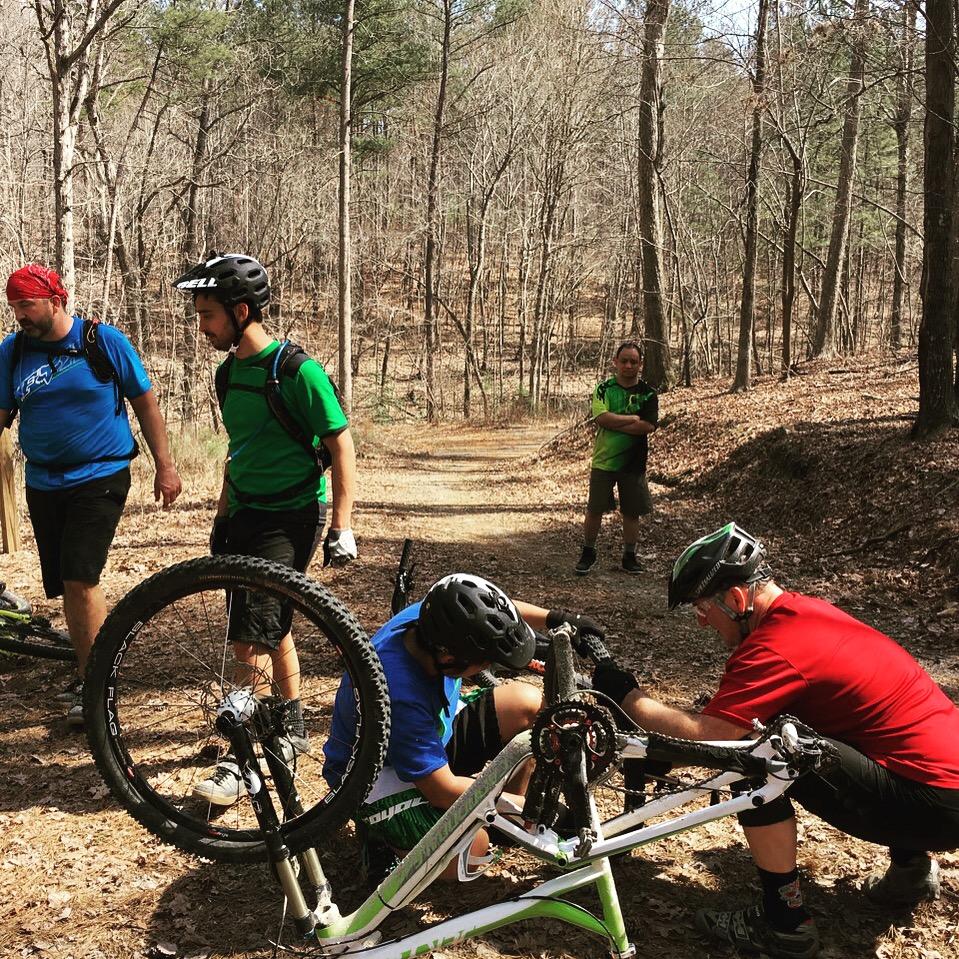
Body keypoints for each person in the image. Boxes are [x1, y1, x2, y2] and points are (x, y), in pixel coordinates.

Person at [592, 522, 959, 959]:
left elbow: (713, 739)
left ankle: (785, 927)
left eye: (702, 605)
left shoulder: (774, 646)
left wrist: (629, 697)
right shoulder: (811, 612)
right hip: (942, 784)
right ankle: (911, 872)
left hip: (933, 804)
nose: (700, 618)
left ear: (737, 598)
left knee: (751, 755)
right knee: (847, 732)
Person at [173, 252, 357, 806]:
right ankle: (292, 723)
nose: (201, 326)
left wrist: (342, 525)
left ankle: (239, 753)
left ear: (242, 310)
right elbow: (240, 447)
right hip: (247, 511)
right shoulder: (229, 371)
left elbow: (340, 445)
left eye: (207, 314)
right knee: (265, 620)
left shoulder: (298, 371)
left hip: (293, 514)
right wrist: (224, 511)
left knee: (248, 632)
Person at [323, 573, 605, 881]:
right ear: (449, 657)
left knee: (527, 704)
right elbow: (441, 790)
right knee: (473, 853)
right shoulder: (400, 693)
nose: (488, 666)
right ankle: (382, 841)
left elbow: (498, 613)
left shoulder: (433, 619)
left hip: (428, 738)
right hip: (376, 776)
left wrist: (557, 618)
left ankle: (504, 820)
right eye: (485, 661)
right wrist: (530, 809)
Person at [0, 263, 181, 725]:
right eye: (14, 306)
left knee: (81, 576)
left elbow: (146, 404)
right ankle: (89, 673)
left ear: (55, 300)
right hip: (43, 481)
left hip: (100, 475)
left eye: (26, 305)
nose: (19, 314)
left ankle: (99, 689)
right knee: (65, 584)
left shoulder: (103, 342)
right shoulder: (14, 351)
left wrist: (166, 466)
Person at [576, 341, 658, 576]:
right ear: (615, 362)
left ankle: (630, 556)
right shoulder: (604, 389)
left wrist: (619, 421)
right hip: (604, 460)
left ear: (640, 364)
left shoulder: (648, 393)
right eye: (624, 361)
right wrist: (632, 419)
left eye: (634, 361)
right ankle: (588, 552)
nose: (628, 365)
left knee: (632, 511)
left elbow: (648, 426)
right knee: (595, 509)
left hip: (633, 462)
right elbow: (602, 418)